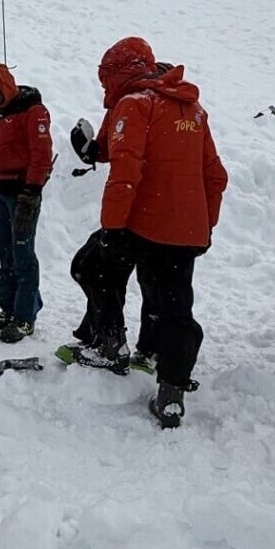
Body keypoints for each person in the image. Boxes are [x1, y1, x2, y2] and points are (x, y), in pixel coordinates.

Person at [71, 38, 229, 426]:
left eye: (107, 78)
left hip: (145, 221)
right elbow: (215, 174)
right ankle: (170, 391)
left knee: (91, 266)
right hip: (187, 228)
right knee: (173, 302)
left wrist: (113, 226)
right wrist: (205, 225)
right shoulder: (192, 108)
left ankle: (111, 344)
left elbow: (126, 172)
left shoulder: (135, 103)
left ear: (119, 74)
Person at [0, 62, 54, 343]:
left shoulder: (33, 111)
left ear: (6, 85)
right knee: (4, 253)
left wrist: (31, 191)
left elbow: (41, 154)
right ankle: (8, 310)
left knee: (22, 254)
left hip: (22, 192)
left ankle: (25, 317)